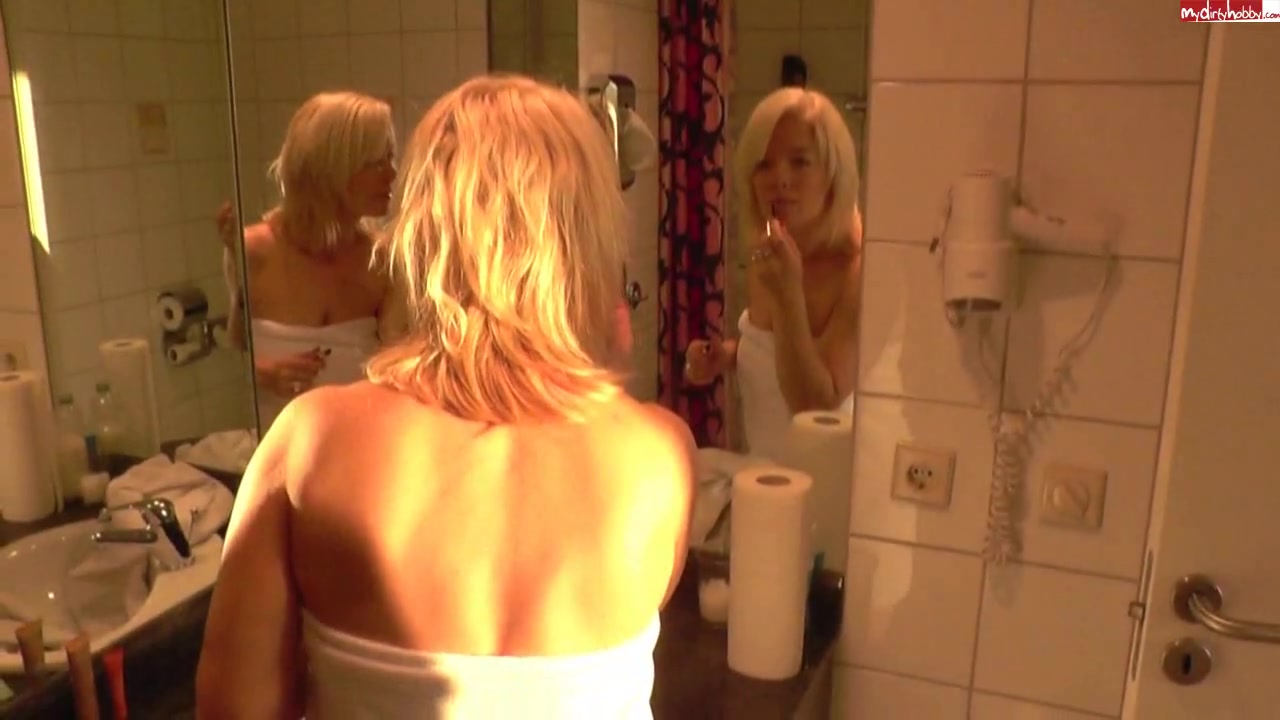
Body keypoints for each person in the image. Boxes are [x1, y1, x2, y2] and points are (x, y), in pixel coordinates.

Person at [195, 75, 696, 719]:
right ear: (587, 239)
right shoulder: (661, 455)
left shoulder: (308, 443)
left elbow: (232, 710)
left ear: (423, 229)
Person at [685, 87, 862, 461]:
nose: (779, 179)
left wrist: (787, 294)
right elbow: (776, 346)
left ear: (834, 171)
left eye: (800, 162)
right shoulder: (776, 243)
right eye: (764, 164)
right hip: (766, 476)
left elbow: (815, 409)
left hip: (825, 485)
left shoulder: (859, 267)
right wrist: (728, 356)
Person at [217, 90, 406, 431]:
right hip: (275, 449)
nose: (392, 174)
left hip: (363, 444)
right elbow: (226, 359)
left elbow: (399, 369)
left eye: (391, 158)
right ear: (331, 168)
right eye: (376, 163)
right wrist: (263, 372)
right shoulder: (253, 251)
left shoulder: (383, 260)